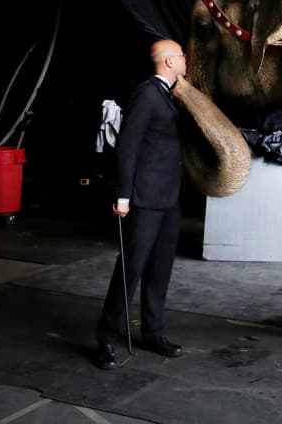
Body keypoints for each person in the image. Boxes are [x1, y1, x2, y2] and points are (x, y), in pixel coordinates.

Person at [95, 39, 188, 370]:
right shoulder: (147, 94)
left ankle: (154, 332)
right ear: (167, 62)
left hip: (169, 198)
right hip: (144, 198)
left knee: (160, 269)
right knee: (131, 269)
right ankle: (106, 336)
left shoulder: (173, 94)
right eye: (180, 56)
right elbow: (128, 146)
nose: (185, 59)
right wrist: (123, 195)